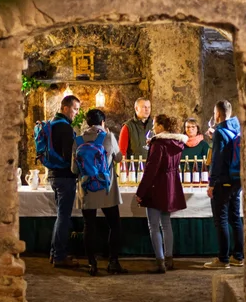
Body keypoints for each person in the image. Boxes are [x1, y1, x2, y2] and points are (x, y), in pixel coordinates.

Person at [71, 109, 128, 276]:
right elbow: (118, 158)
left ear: (87, 123)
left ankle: (92, 264)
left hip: (86, 188)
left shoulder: (78, 140)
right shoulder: (108, 137)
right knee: (114, 225)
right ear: (103, 122)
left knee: (89, 226)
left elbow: (74, 168)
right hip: (106, 188)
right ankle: (113, 262)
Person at [135, 114, 187, 273]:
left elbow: (151, 170)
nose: (153, 128)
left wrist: (140, 192)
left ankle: (160, 262)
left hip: (156, 187)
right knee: (166, 224)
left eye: (155, 125)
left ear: (161, 126)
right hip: (170, 185)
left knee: (153, 225)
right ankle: (169, 259)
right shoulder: (177, 143)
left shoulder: (158, 144)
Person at [204, 100, 244, 269]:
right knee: (235, 219)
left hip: (223, 181)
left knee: (221, 220)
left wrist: (212, 183)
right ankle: (239, 256)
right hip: (236, 180)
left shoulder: (220, 132)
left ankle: (223, 259)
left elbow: (218, 160)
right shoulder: (236, 128)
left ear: (218, 114)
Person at [47, 95, 81, 268]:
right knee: (63, 217)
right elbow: (70, 155)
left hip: (53, 174)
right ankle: (60, 256)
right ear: (66, 108)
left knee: (60, 215)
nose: (76, 113)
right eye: (75, 109)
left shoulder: (52, 124)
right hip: (64, 176)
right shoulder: (65, 127)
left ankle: (54, 254)